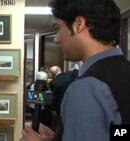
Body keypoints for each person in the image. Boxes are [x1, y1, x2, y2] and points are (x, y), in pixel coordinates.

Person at [20, 0, 130, 141]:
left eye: (59, 28)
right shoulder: (124, 72)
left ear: (79, 24)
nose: (56, 39)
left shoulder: (86, 88)